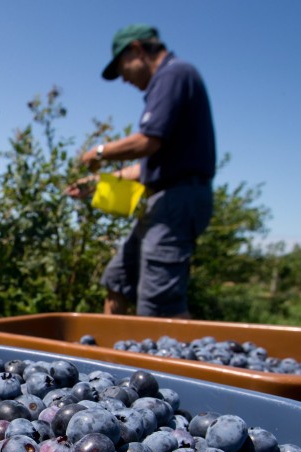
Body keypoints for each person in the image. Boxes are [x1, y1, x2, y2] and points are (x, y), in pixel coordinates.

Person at [68, 24, 216, 318]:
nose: (123, 79)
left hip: (177, 201)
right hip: (165, 198)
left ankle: (167, 359)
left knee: (159, 304)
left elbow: (147, 141)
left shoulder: (174, 74)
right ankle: (112, 358)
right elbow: (148, 166)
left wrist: (99, 153)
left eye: (122, 68)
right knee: (117, 279)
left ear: (136, 50)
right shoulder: (170, 80)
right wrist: (96, 183)